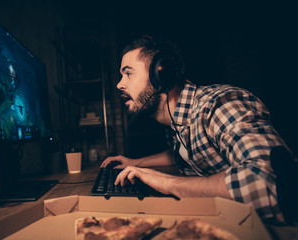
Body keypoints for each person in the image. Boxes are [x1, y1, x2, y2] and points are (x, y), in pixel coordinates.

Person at [101, 35, 297, 224]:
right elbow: (182, 154)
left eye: (128, 73)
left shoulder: (219, 106)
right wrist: (137, 163)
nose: (119, 84)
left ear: (161, 74)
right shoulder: (176, 121)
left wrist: (168, 183)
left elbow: (268, 183)